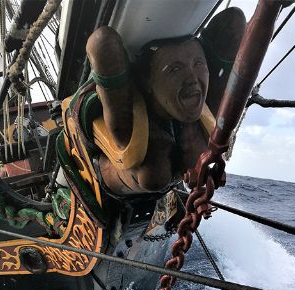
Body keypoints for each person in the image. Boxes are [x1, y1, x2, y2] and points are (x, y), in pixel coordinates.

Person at [65, 8, 246, 197]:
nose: (192, 79)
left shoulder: (203, 116)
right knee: (154, 171)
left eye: (199, 64)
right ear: (146, 81)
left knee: (188, 156)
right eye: (175, 69)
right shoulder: (129, 121)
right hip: (116, 163)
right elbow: (102, 44)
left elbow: (234, 23)